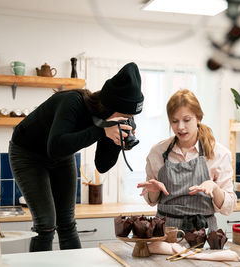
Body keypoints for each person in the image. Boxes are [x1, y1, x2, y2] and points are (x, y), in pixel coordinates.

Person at [8, 62, 143, 252]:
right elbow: (55, 146)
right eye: (126, 114)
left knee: (67, 223)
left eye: (132, 116)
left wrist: (116, 140)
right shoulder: (72, 101)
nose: (128, 120)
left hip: (62, 155)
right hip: (28, 154)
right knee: (46, 224)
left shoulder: (108, 121)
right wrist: (101, 131)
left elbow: (102, 165)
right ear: (109, 106)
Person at [137, 89, 236, 233]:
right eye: (174, 121)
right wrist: (154, 191)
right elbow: (151, 201)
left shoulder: (219, 154)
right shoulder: (157, 152)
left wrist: (215, 188)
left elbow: (229, 207)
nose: (180, 127)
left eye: (187, 120)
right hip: (165, 234)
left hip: (204, 235)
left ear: (199, 118)